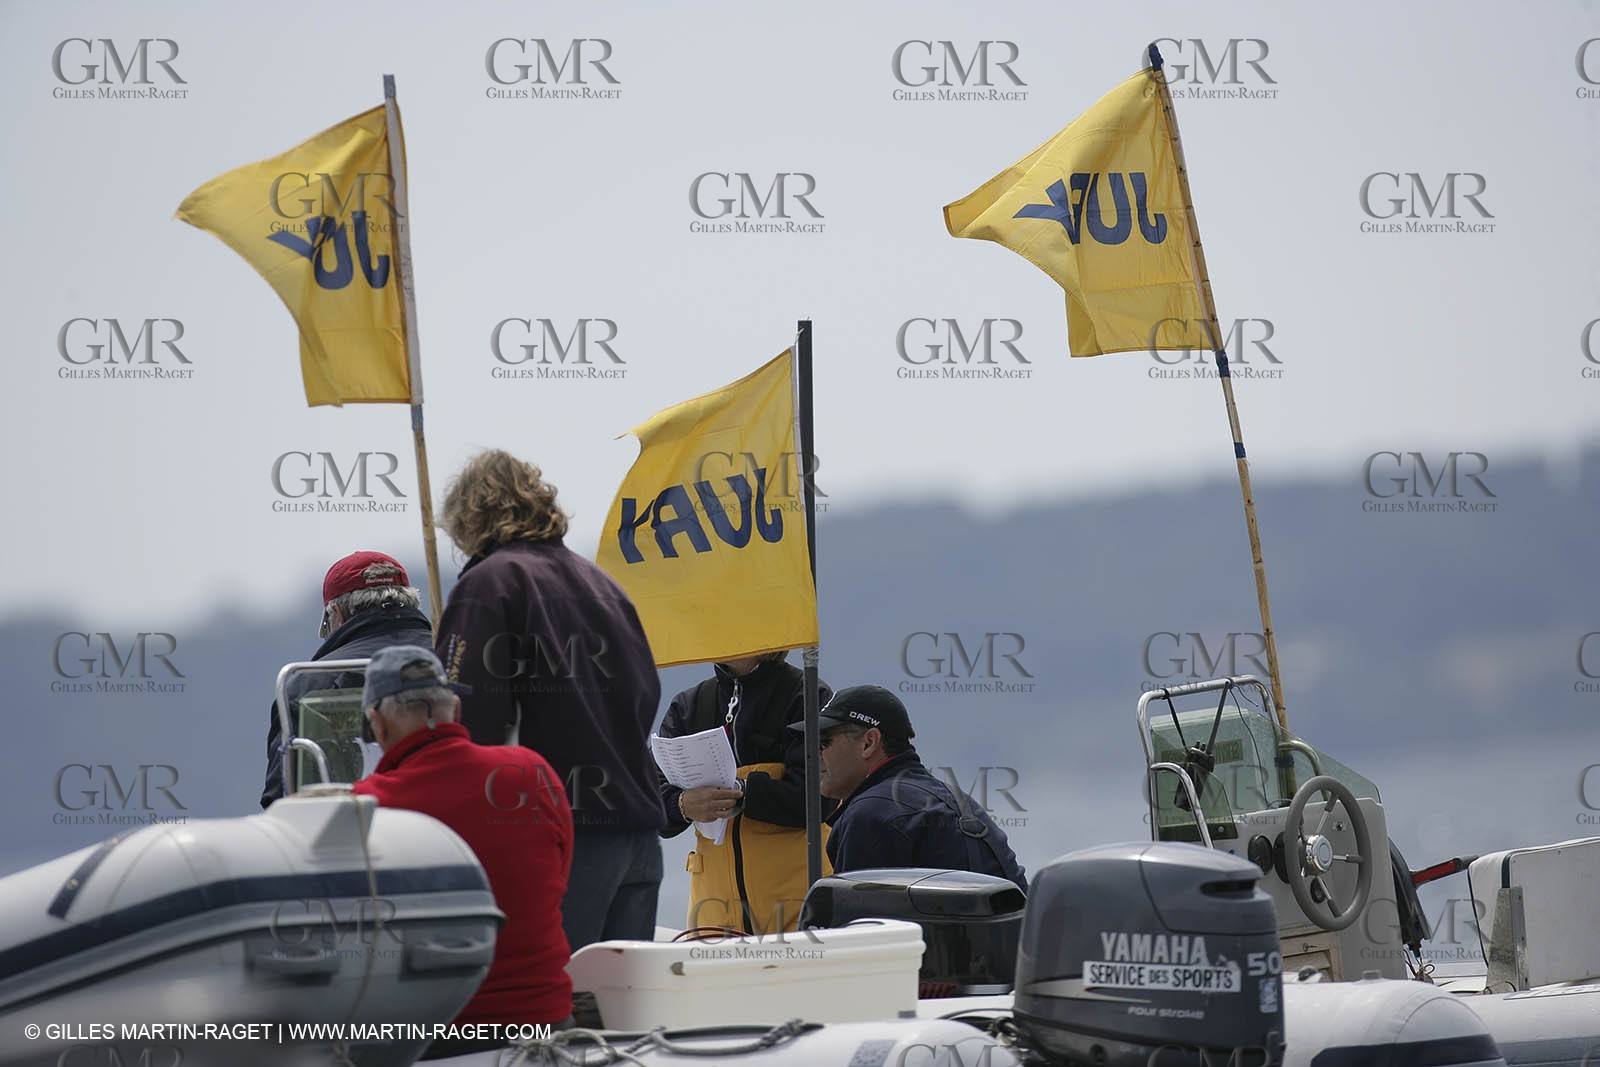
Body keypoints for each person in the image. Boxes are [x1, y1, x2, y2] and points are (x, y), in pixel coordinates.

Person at [435, 449, 664, 950]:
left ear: (468, 515)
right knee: (621, 1016)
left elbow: (466, 722)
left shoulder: (488, 585)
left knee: (544, 1009)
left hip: (559, 836)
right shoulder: (604, 585)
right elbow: (645, 692)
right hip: (639, 834)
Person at [351, 645, 573, 1034]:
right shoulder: (531, 772)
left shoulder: (364, 808)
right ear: (455, 708)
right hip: (547, 1022)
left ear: (377, 725)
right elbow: (560, 879)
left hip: (433, 1039)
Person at [656, 652, 834, 934]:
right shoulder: (687, 705)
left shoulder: (807, 694)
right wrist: (682, 805)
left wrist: (742, 793)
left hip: (800, 916)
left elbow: (820, 797)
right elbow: (650, 801)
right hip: (713, 920)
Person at [796, 685, 1027, 891]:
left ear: (869, 742)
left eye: (823, 742)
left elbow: (860, 931)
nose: (813, 754)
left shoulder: (869, 815)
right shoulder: (953, 799)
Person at [261, 551, 432, 808]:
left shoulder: (304, 682)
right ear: (410, 603)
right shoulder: (455, 659)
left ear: (336, 614)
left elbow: (281, 798)